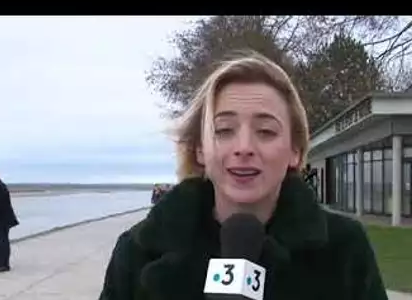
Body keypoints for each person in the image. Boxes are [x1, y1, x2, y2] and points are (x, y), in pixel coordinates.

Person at [99, 50, 388, 299]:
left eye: (265, 131)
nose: (244, 148)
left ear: (295, 152)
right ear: (200, 149)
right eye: (224, 131)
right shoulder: (138, 251)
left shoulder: (345, 249)